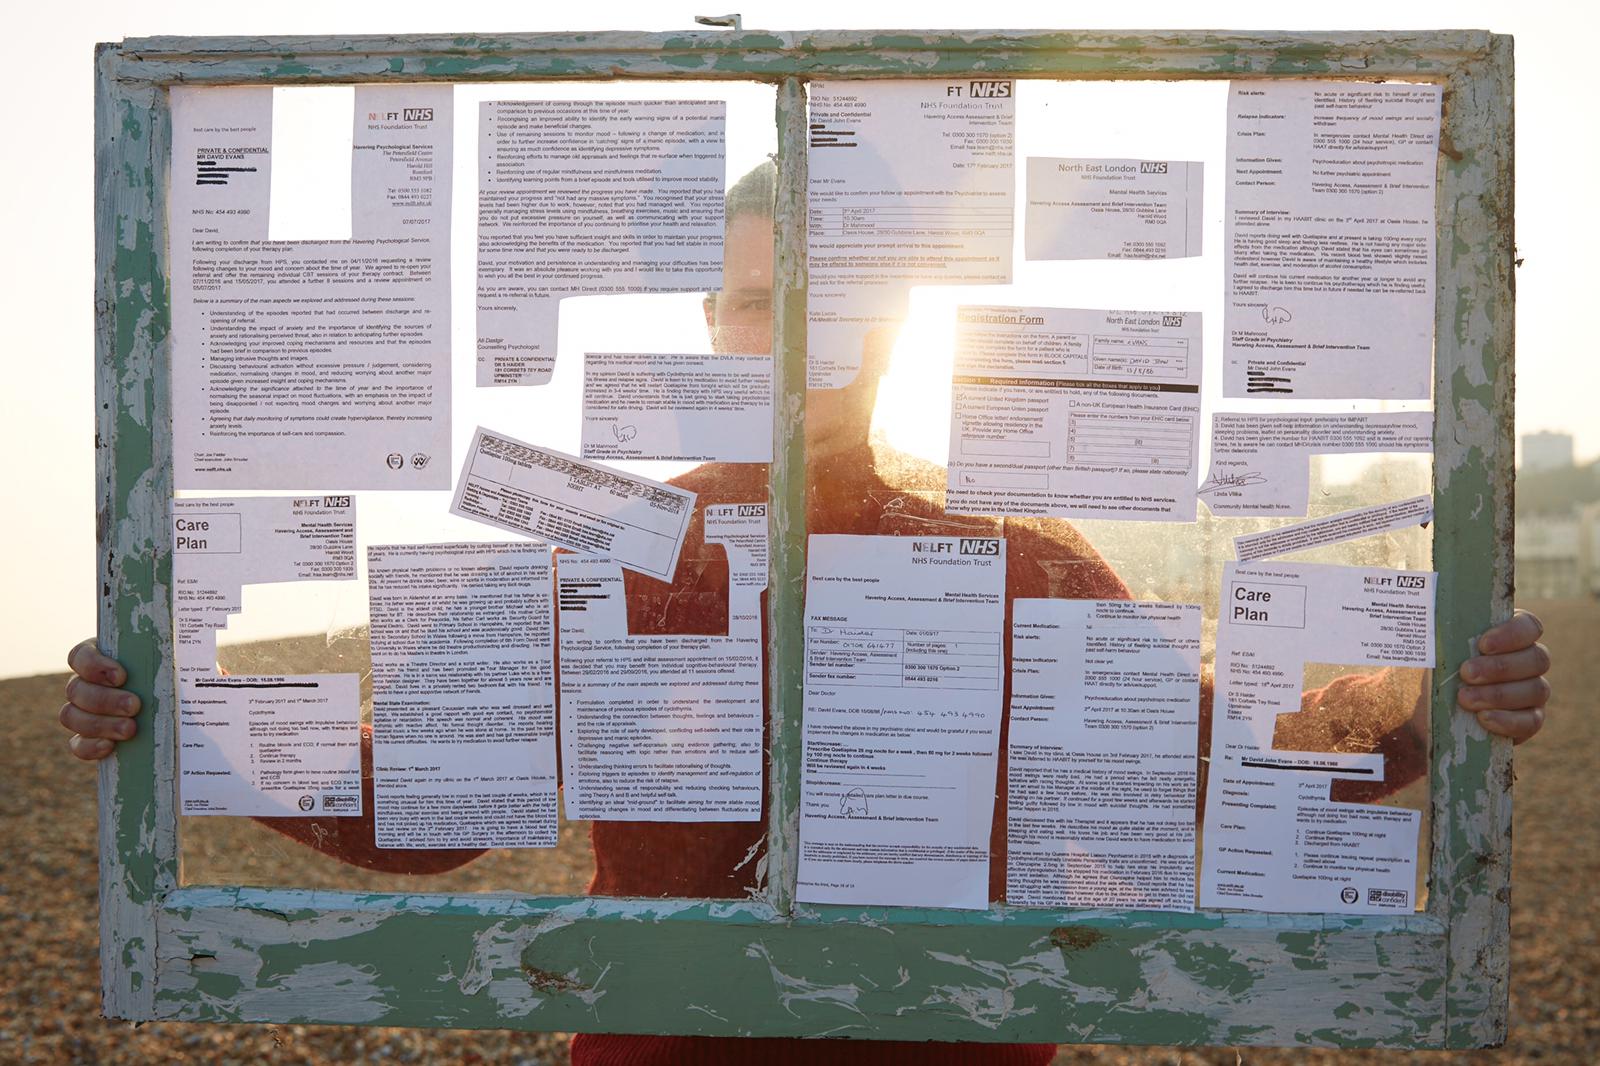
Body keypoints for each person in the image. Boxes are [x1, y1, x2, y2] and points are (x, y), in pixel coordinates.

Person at [60, 163, 1553, 1064]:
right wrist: (177, 722)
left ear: (897, 321)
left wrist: (1439, 704)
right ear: (708, 321)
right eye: (747, 301)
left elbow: (1227, 770)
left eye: (826, 294)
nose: (781, 335)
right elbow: (411, 794)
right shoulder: (616, 549)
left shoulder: (1019, 556)